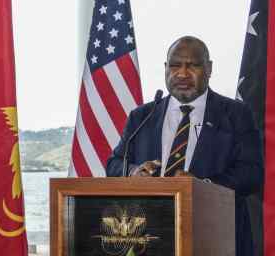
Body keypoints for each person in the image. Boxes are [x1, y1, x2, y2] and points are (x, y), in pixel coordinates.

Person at [106, 36, 263, 256]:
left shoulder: (236, 115)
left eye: (193, 65)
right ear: (165, 68)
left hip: (215, 236)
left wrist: (202, 186)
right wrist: (133, 172)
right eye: (175, 65)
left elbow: (252, 174)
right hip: (149, 237)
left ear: (208, 69)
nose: (182, 74)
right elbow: (113, 164)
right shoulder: (142, 116)